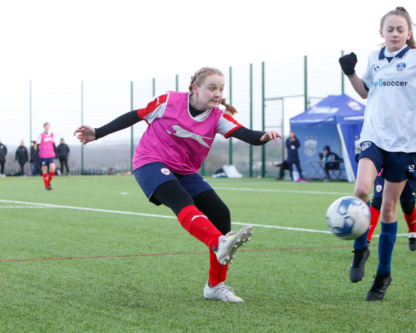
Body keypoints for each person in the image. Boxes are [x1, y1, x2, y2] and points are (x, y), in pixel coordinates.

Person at [74, 67, 282, 302]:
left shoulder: (217, 117)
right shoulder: (169, 101)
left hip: (185, 171)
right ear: (195, 88)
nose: (217, 94)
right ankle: (218, 242)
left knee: (221, 213)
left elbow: (247, 135)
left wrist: (264, 136)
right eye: (212, 88)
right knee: (182, 201)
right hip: (150, 163)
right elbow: (136, 115)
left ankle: (215, 286)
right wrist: (98, 133)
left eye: (221, 89)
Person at [339, 7, 416, 301]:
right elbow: (365, 92)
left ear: (408, 34)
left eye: (400, 30)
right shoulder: (374, 59)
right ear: (381, 33)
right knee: (361, 191)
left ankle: (383, 274)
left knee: (390, 209)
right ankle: (359, 251)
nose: (394, 34)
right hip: (374, 138)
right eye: (389, 29)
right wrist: (350, 73)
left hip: (404, 145)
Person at [367, 109, 416, 252]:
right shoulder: (381, 105)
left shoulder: (413, 106)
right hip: (384, 160)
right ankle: (366, 241)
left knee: (407, 205)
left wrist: (405, 140)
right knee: (378, 201)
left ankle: (413, 232)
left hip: (406, 161)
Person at [35, 123, 57, 190]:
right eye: (46, 126)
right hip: (43, 155)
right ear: (44, 127)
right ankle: (46, 186)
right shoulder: (41, 135)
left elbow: (54, 144)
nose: (47, 127)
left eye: (48, 126)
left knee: (53, 168)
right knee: (45, 169)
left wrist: (56, 153)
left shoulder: (52, 135)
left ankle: (48, 182)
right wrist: (36, 152)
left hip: (51, 154)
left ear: (49, 127)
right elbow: (36, 144)